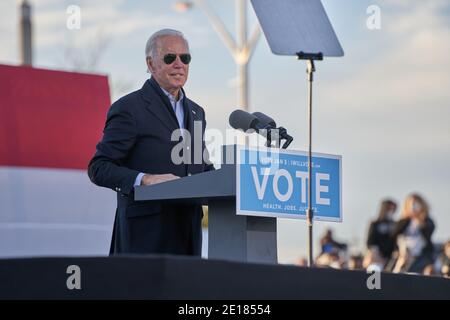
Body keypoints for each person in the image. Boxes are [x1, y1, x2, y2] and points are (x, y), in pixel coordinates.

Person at [88, 29, 214, 256]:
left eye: (185, 58)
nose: (179, 64)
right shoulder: (129, 108)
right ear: (151, 63)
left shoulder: (197, 112)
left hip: (188, 238)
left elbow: (201, 167)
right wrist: (144, 180)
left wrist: (237, 180)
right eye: (170, 58)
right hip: (144, 240)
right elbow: (99, 168)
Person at [390, 193, 435, 273]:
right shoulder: (403, 221)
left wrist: (421, 222)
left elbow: (429, 234)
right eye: (411, 204)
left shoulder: (427, 221)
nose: (413, 206)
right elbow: (394, 234)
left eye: (416, 204)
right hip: (403, 254)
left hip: (420, 256)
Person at [366, 199, 397, 263]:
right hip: (377, 258)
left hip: (391, 259)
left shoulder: (396, 225)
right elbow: (370, 242)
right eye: (389, 209)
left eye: (393, 210)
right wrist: (377, 255)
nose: (391, 212)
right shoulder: (375, 223)